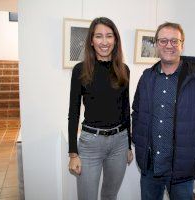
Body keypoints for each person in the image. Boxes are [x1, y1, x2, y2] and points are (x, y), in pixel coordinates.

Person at [132, 22, 195, 200]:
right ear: (157, 44)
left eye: (174, 41)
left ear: (182, 44)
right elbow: (137, 112)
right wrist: (138, 138)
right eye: (164, 41)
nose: (169, 45)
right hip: (150, 166)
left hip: (182, 169)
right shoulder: (146, 77)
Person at [68, 17, 133, 200]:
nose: (104, 42)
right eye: (98, 36)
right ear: (91, 40)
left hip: (119, 143)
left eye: (109, 36)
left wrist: (128, 145)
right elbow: (73, 112)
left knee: (110, 195)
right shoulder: (80, 70)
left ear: (115, 40)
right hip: (90, 144)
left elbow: (125, 109)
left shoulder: (124, 70)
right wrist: (73, 153)